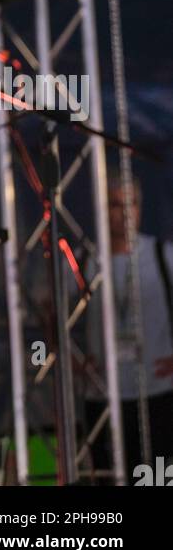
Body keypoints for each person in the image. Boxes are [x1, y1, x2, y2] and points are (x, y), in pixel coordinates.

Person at [83, 173, 173, 475]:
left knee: (159, 478)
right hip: (102, 395)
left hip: (158, 391)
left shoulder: (163, 255)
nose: (124, 214)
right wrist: (57, 359)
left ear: (141, 207)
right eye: (115, 205)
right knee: (108, 474)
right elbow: (43, 320)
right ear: (102, 208)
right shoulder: (84, 260)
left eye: (130, 204)